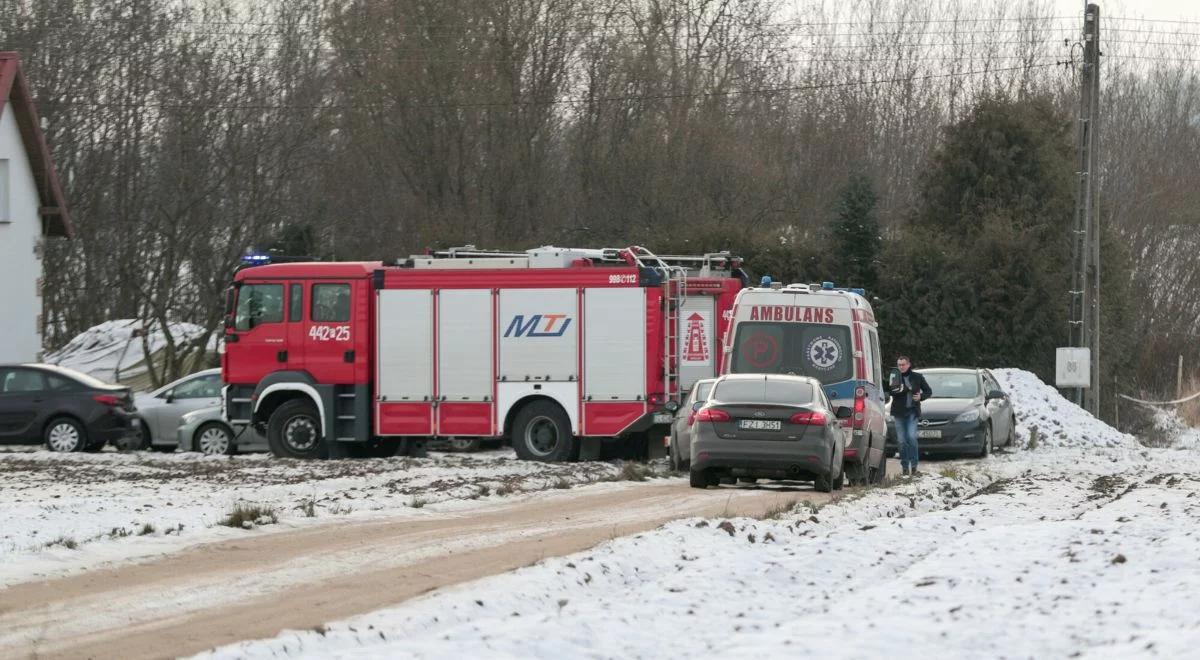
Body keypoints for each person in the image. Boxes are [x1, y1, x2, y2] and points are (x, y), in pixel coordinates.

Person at [888, 356, 933, 476]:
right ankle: (904, 467)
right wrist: (906, 389)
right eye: (899, 365)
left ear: (908, 364)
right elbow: (891, 391)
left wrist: (921, 397)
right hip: (899, 413)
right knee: (902, 441)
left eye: (903, 364)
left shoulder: (917, 377)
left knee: (911, 437)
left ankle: (914, 466)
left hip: (912, 412)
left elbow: (928, 391)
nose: (901, 367)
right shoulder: (895, 376)